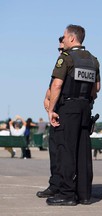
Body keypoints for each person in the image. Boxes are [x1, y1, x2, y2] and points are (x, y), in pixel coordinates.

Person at [46, 25, 101, 206]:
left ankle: (67, 194)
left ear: (71, 38)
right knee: (83, 151)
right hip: (85, 108)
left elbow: (56, 85)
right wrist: (86, 101)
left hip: (68, 109)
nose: (63, 39)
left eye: (64, 36)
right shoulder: (93, 60)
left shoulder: (66, 58)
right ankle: (84, 194)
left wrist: (51, 109)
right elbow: (97, 88)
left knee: (66, 150)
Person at [36, 36, 65, 199]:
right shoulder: (62, 64)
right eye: (59, 49)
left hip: (62, 113)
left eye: (62, 48)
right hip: (59, 112)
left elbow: (57, 86)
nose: (60, 51)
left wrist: (51, 106)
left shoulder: (66, 63)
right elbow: (51, 87)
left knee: (59, 152)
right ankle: (57, 184)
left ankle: (58, 186)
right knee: (55, 151)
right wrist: (46, 98)